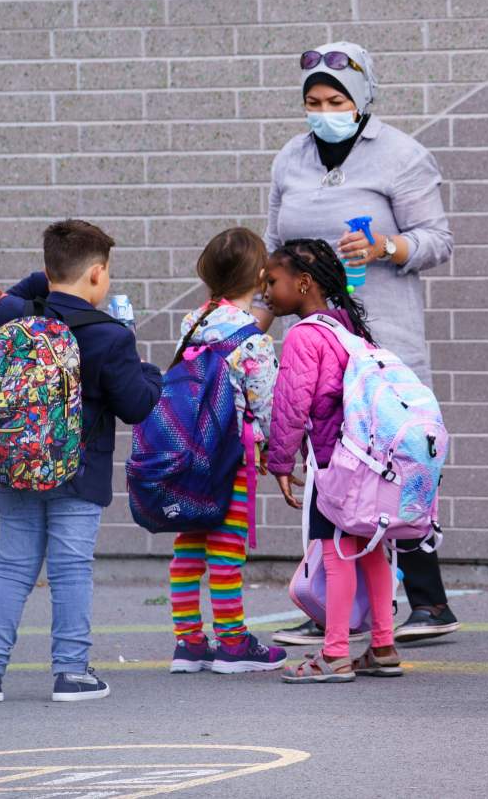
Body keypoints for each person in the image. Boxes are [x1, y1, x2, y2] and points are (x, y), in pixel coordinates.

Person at [261, 41, 458, 647]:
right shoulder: (289, 161)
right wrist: (257, 317)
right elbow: (274, 246)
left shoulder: (402, 156)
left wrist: (386, 248)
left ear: (363, 99)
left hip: (380, 343)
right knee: (328, 466)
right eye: (313, 101)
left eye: (336, 100)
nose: (324, 111)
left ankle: (427, 602)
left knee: (393, 465)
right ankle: (331, 601)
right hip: (313, 341)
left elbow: (438, 240)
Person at [0, 220, 162, 703]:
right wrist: (149, 370)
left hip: (18, 461)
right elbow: (137, 406)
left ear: (48, 271)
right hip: (78, 471)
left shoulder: (12, 313)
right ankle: (71, 672)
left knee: (12, 567)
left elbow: (24, 288)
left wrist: (48, 274)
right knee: (70, 569)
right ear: (97, 275)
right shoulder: (110, 335)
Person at [265, 238, 401, 682]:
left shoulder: (305, 335)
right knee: (371, 549)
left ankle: (335, 652)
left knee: (336, 551)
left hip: (334, 461)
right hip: (369, 461)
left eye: (273, 281)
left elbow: (290, 404)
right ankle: (383, 645)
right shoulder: (347, 327)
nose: (265, 290)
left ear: (303, 284)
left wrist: (281, 462)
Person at [167, 229, 286, 675]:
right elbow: (267, 404)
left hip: (187, 457)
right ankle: (233, 643)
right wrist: (278, 455)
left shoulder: (191, 322)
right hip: (232, 461)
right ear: (259, 275)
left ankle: (189, 641)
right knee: (226, 550)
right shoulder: (253, 341)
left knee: (188, 548)